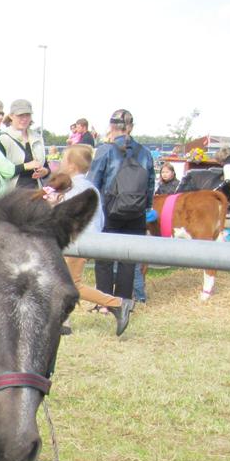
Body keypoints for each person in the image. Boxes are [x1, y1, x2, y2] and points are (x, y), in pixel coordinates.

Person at [53, 144, 133, 336]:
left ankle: (117, 304)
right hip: (85, 241)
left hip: (76, 242)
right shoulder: (90, 188)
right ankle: (62, 322)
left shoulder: (74, 188)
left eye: (63, 161)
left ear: (71, 166)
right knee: (64, 282)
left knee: (71, 285)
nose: (61, 164)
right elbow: (100, 219)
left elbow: (66, 217)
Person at [88, 108, 155, 310]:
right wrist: (145, 207)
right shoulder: (145, 153)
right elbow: (150, 185)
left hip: (109, 210)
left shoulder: (105, 150)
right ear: (131, 127)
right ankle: (123, 302)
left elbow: (93, 182)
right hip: (136, 212)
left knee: (104, 259)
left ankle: (105, 303)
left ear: (111, 126)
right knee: (128, 259)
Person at [0, 99, 50, 190]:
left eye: (27, 115)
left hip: (36, 192)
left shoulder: (38, 138)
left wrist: (45, 172)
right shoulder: (2, 139)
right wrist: (26, 166)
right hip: (12, 194)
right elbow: (1, 171)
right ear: (11, 116)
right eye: (20, 115)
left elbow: (45, 166)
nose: (25, 118)